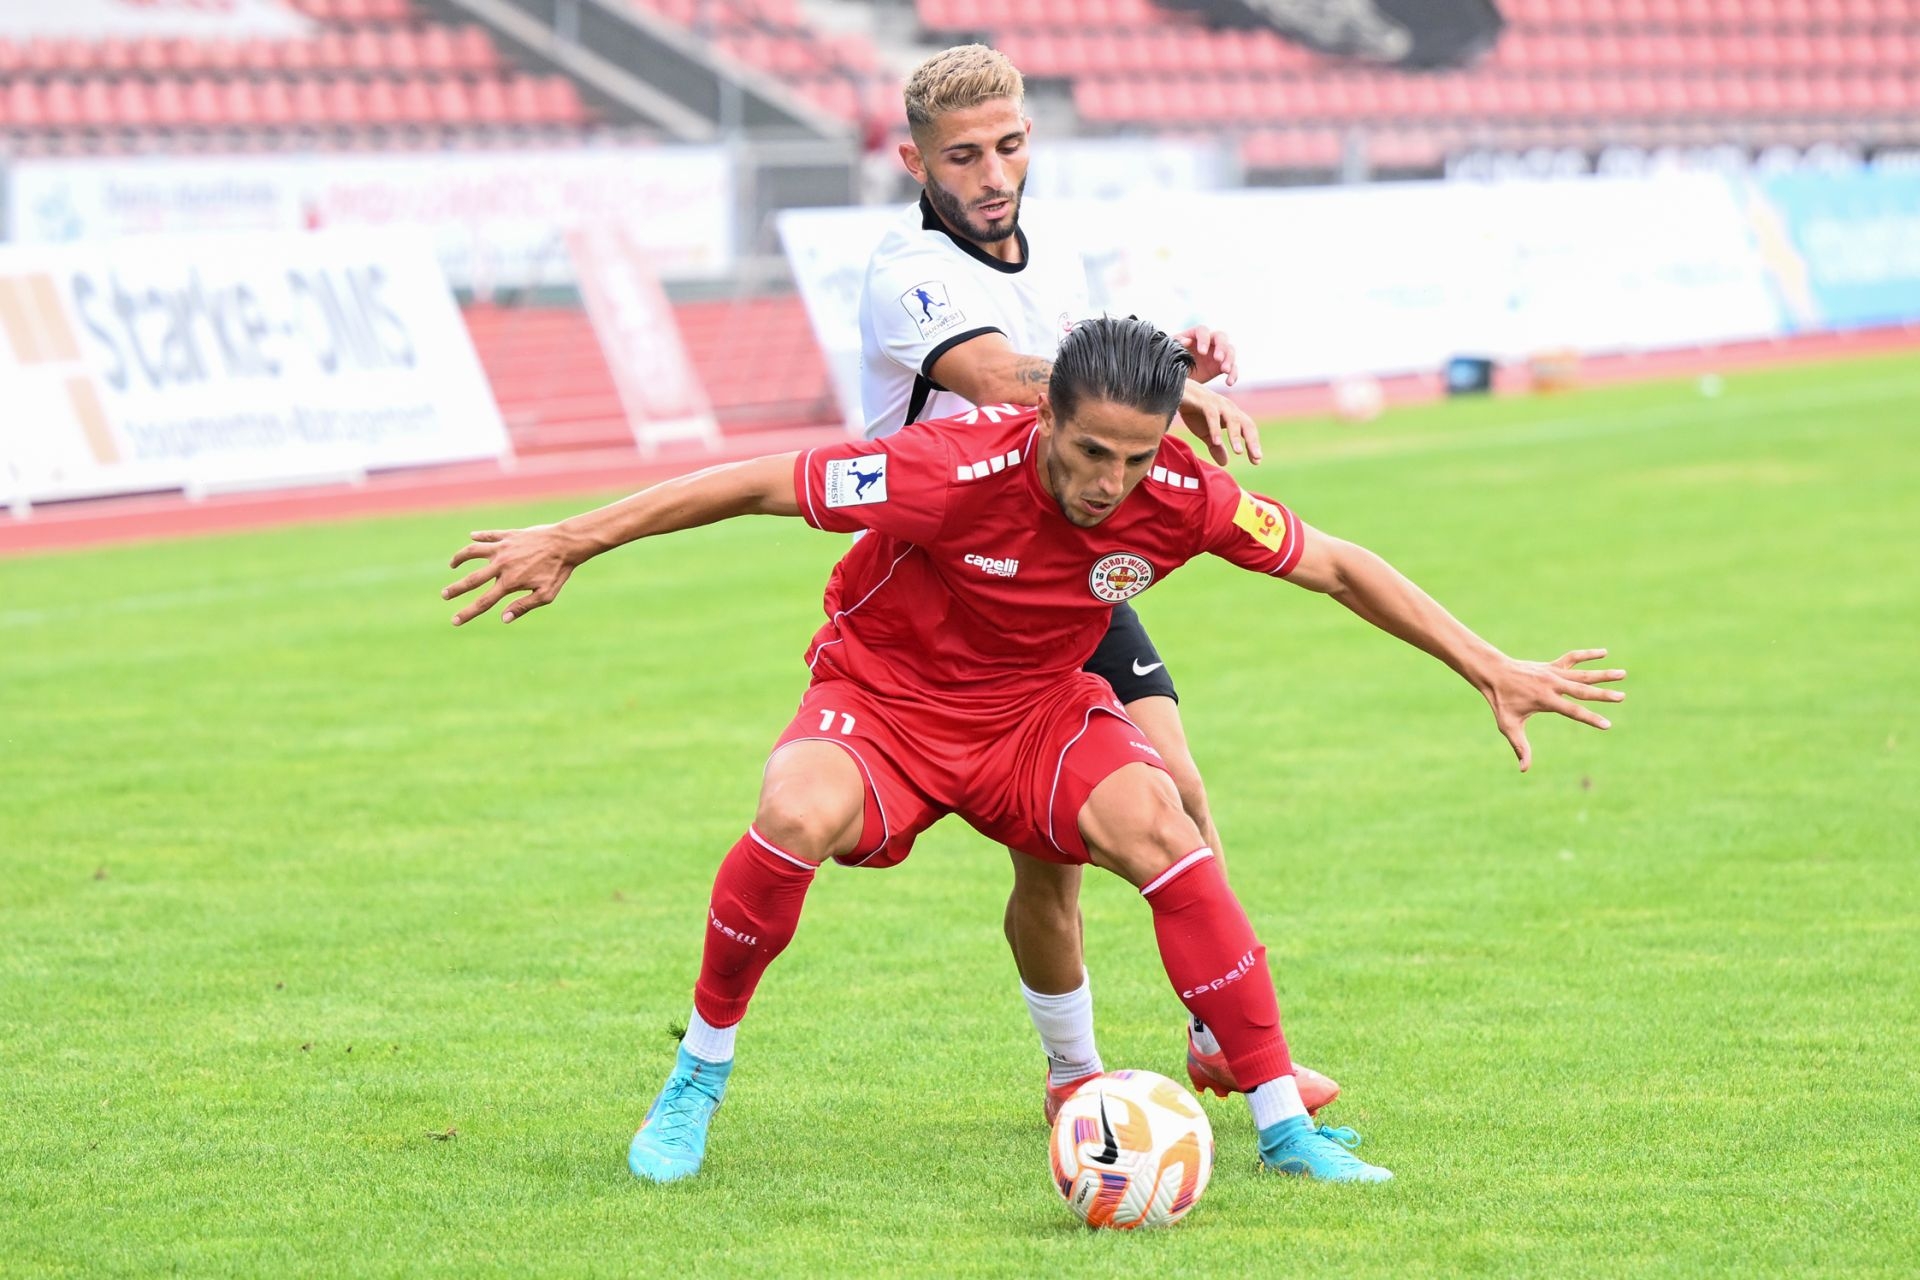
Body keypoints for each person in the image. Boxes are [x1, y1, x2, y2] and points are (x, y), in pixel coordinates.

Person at [441, 317, 1625, 1186]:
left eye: (1136, 457)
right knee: (793, 811)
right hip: (887, 703)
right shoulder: (950, 468)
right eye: (1092, 451)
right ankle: (698, 1073)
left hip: (1033, 715)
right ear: (1046, 415)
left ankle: (1282, 1122)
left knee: (1165, 821)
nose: (1112, 483)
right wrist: (573, 538)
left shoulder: (1177, 491)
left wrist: (1488, 662)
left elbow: (1338, 564)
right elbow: (758, 483)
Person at [857, 43, 1305, 1121]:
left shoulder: (1048, 254)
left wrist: (1165, 359)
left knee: (1179, 785)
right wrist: (1165, 393)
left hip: (1062, 553)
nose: (993, 174)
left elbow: (1085, 368)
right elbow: (990, 374)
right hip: (958, 581)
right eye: (963, 156)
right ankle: (1074, 1071)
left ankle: (1217, 1037)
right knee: (1048, 866)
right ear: (917, 162)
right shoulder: (906, 271)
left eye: (1009, 146)